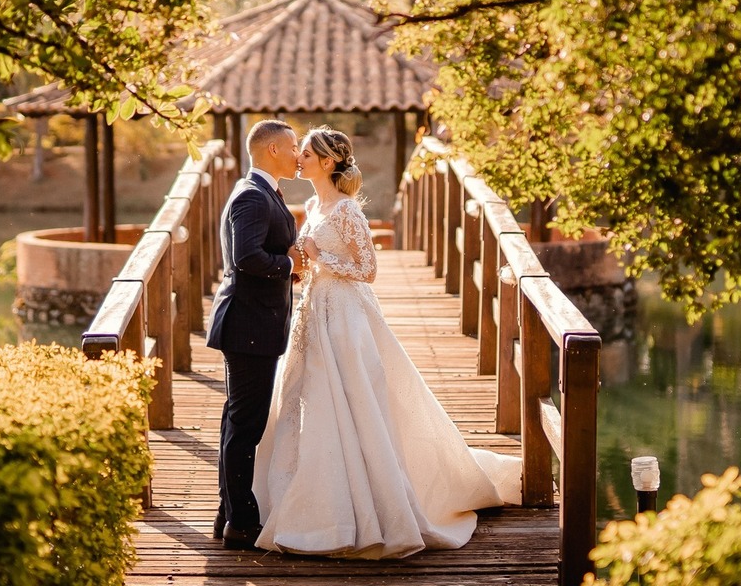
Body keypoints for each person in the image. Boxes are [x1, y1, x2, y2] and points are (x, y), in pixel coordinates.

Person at [253, 126, 521, 559]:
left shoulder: (346, 211)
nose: (297, 158)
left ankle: (372, 507)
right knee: (311, 400)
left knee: (354, 398)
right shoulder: (310, 204)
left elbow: (367, 270)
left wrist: (321, 259)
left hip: (346, 317)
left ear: (326, 162)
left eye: (304, 153)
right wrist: (305, 269)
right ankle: (312, 508)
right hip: (314, 311)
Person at [206, 119, 303, 551]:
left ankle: (228, 512)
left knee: (238, 419)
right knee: (246, 425)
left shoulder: (263, 191)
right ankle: (241, 523)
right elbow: (246, 257)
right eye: (294, 145)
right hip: (248, 325)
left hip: (254, 323)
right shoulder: (252, 195)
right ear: (272, 151)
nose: (299, 152)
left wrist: (287, 270)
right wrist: (290, 266)